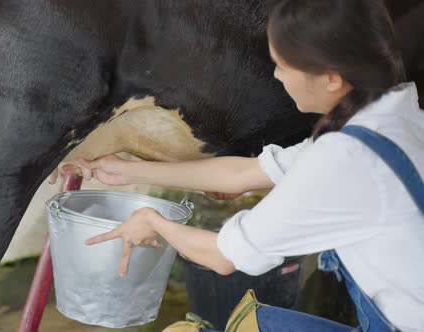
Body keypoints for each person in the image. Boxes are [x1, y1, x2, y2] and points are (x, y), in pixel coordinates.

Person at [62, 0, 424, 330]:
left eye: (283, 65)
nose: (279, 77)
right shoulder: (395, 117)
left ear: (332, 77)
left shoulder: (345, 161)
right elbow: (242, 174)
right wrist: (128, 170)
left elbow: (222, 256)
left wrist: (153, 221)